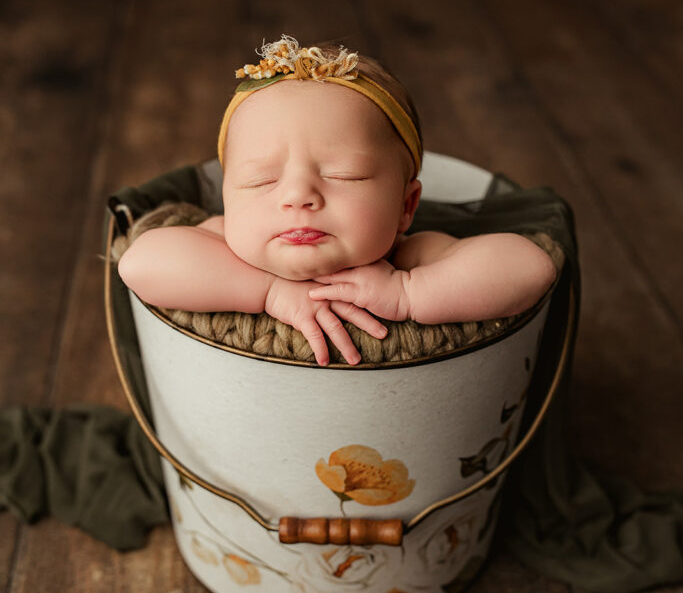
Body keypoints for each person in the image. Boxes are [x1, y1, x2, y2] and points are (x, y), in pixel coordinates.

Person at [118, 36, 556, 366]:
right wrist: (270, 291)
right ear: (226, 200)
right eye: (260, 180)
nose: (298, 196)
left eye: (343, 175)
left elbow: (530, 267)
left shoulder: (412, 257)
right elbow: (139, 263)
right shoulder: (222, 247)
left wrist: (407, 293)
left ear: (407, 207)